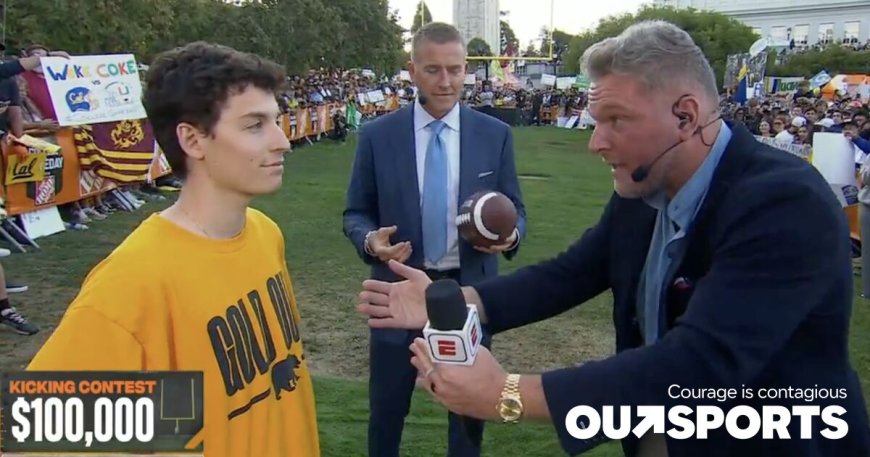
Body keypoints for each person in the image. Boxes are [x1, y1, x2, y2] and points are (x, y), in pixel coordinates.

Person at [356, 21, 870, 457]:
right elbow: (571, 273)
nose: (596, 142)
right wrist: (451, 301)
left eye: (616, 120)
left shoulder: (782, 203)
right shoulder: (645, 189)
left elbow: (699, 365)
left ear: (686, 116)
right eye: (596, 119)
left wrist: (508, 394)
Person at [27, 42, 320, 457]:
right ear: (193, 140)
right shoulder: (133, 281)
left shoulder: (265, 233)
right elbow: (39, 435)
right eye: (255, 125)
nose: (282, 141)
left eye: (276, 120)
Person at [343, 22, 527, 457]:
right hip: (399, 291)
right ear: (412, 71)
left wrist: (510, 234)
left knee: (468, 414)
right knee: (387, 410)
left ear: (467, 71)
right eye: (433, 70)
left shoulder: (494, 134)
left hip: (468, 291)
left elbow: (515, 209)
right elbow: (355, 211)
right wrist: (372, 242)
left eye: (455, 70)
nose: (446, 81)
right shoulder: (378, 135)